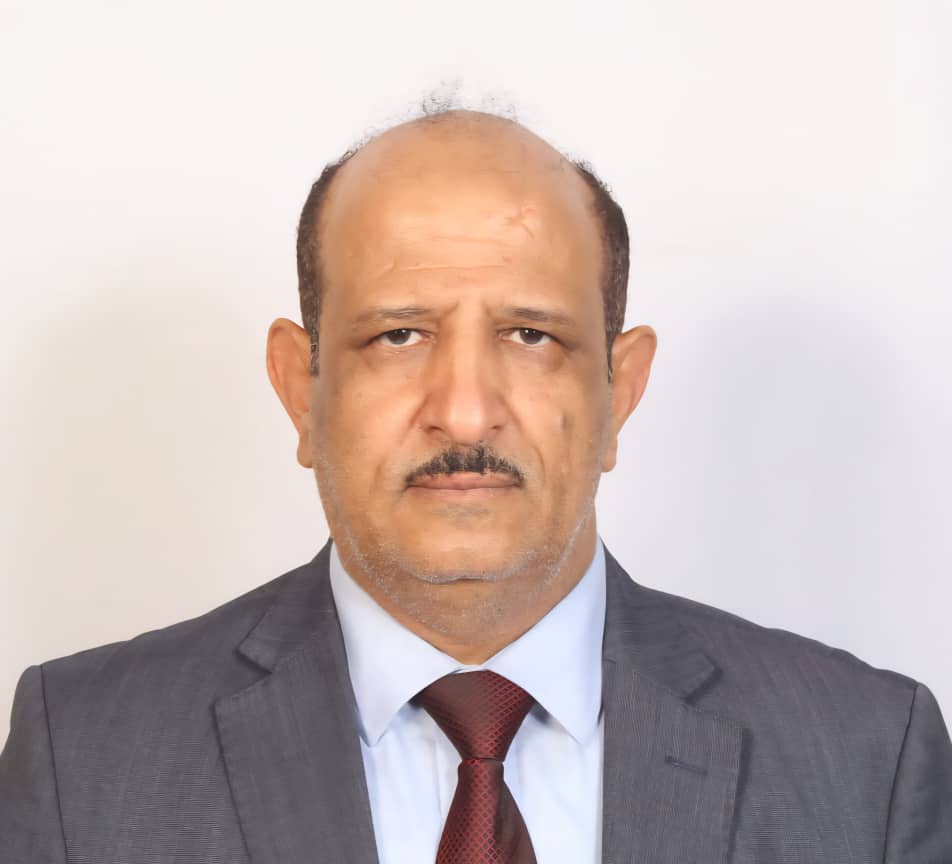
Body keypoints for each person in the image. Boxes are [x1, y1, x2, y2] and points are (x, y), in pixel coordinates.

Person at [1, 108, 950, 863]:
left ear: (619, 392)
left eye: (531, 335)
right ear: (300, 390)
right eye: (398, 335)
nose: (463, 413)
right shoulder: (85, 758)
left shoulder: (868, 762)